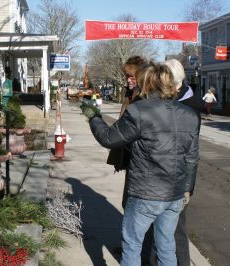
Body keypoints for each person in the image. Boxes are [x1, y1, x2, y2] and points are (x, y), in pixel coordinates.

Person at [85, 62, 200, 265]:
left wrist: (94, 117)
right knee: (166, 248)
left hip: (145, 194)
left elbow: (108, 138)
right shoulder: (190, 115)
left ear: (147, 85)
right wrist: (187, 190)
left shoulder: (139, 111)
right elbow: (191, 157)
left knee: (132, 246)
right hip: (174, 195)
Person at [140, 59, 205, 266]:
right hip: (163, 177)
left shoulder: (187, 107)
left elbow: (190, 153)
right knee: (158, 231)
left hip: (175, 179)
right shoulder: (175, 102)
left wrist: (187, 188)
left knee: (175, 232)